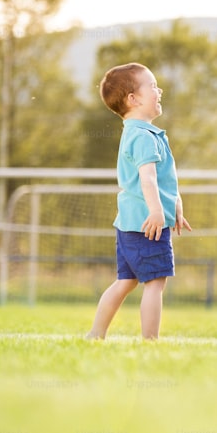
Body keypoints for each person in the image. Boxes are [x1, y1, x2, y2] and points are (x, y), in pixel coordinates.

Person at [86, 63, 191, 340]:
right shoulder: (143, 136)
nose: (159, 91)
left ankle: (96, 334)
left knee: (125, 281)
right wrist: (157, 211)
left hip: (129, 223)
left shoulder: (137, 133)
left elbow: (164, 178)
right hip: (147, 224)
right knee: (155, 283)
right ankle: (150, 341)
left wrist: (175, 204)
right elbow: (148, 179)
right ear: (133, 99)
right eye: (153, 86)